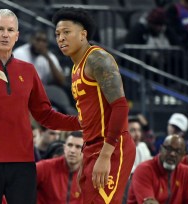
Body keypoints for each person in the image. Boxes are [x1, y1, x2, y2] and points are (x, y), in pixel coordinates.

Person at [0, 9, 81, 204]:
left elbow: (45, 115)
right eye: (0, 29)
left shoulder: (28, 70)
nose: (5, 34)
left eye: (10, 30)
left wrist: (79, 123)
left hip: (22, 163)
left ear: (17, 36)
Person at [52, 7, 136, 203]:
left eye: (66, 32)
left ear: (83, 35)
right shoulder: (75, 67)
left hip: (112, 146)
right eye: (57, 34)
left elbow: (121, 106)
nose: (61, 38)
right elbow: (88, 117)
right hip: (91, 147)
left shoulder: (98, 59)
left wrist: (106, 154)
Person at [127, 134, 188, 203]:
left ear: (183, 156)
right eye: (168, 148)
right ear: (160, 149)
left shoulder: (187, 173)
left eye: (178, 151)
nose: (172, 154)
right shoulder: (144, 170)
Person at [36, 131, 84, 204]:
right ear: (64, 147)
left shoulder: (90, 173)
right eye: (70, 145)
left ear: (86, 150)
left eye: (78, 147)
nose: (72, 150)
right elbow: (21, 186)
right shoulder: (44, 167)